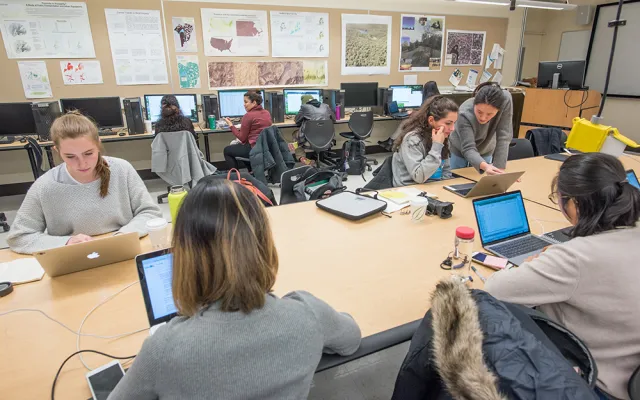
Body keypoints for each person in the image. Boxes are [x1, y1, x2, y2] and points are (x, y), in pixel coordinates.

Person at [108, 179, 362, 400]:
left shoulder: (164, 349)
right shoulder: (309, 314)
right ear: (263, 244)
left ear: (183, 257)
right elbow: (351, 339)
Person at [484, 153, 640, 400]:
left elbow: (492, 292)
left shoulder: (576, 258)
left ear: (574, 204)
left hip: (596, 385)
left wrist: (537, 263)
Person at [7, 111, 162, 254]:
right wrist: (66, 242)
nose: (82, 163)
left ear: (98, 144)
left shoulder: (122, 169)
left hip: (124, 250)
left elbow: (150, 213)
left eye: (88, 153)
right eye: (70, 156)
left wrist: (123, 236)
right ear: (56, 151)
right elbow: (19, 237)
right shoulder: (45, 186)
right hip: (73, 258)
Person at [391, 96, 458, 187]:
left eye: (454, 123)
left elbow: (446, 171)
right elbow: (419, 177)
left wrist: (446, 188)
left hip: (433, 187)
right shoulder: (413, 140)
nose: (452, 128)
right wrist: (437, 146)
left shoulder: (442, 136)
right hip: (410, 189)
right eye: (448, 123)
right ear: (431, 120)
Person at [448, 82, 513, 174]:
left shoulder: (505, 100)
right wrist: (486, 166)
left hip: (485, 148)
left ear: (498, 110)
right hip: (460, 147)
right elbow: (468, 148)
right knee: (456, 178)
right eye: (479, 112)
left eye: (489, 114)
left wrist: (499, 170)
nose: (483, 118)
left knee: (481, 179)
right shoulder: (464, 113)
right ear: (474, 103)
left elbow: (504, 136)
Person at [223, 90, 272, 170]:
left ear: (254, 103)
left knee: (227, 150)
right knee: (241, 147)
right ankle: (252, 171)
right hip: (266, 148)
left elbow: (242, 138)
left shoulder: (248, 116)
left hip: (254, 148)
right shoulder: (266, 113)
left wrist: (231, 125)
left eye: (246, 102)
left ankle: (235, 177)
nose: (244, 105)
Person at [293, 94, 336, 164]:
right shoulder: (326, 106)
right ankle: (319, 157)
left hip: (310, 142)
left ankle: (302, 158)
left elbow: (297, 121)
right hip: (327, 140)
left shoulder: (304, 107)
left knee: (295, 134)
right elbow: (334, 119)